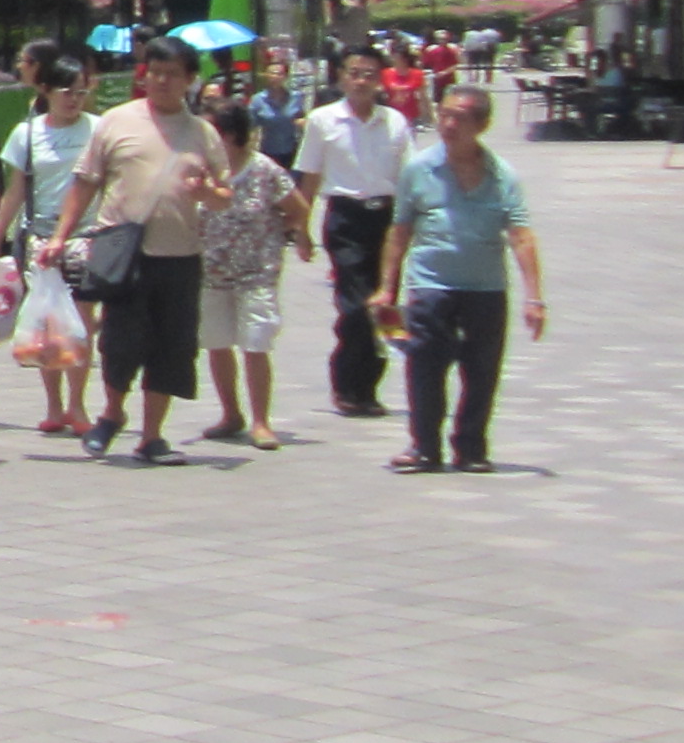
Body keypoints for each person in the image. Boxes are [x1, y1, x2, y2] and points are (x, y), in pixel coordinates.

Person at [41, 33, 222, 464]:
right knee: (119, 341)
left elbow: (223, 196)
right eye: (154, 72)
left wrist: (207, 191)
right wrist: (60, 236)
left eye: (172, 75)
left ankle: (152, 436)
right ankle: (112, 412)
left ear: (190, 80)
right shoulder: (116, 121)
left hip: (180, 255)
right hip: (119, 248)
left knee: (173, 347)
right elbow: (85, 181)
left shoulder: (203, 134)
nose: (161, 81)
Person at [375, 86, 546, 474]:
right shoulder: (419, 169)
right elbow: (399, 231)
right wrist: (388, 286)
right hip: (430, 284)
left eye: (461, 118)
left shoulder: (502, 176)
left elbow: (521, 236)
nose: (449, 125)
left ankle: (470, 446)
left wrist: (534, 298)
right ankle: (424, 446)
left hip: (485, 288)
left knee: (482, 371)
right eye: (445, 114)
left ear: (482, 125)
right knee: (425, 365)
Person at [301, 46, 416, 419]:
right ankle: (346, 382)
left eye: (369, 73)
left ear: (380, 78)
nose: (361, 80)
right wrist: (300, 228)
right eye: (354, 72)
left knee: (382, 305)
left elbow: (410, 178)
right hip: (346, 220)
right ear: (341, 76)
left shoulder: (395, 122)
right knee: (354, 307)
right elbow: (310, 177)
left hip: (386, 220)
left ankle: (366, 387)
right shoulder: (322, 121)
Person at [195, 97, 313, 450]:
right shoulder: (201, 171)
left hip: (256, 272)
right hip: (211, 271)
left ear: (230, 135)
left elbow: (299, 209)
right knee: (217, 342)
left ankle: (262, 421)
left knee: (256, 343)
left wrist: (275, 235)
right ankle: (231, 413)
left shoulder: (265, 170)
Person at [0, 55, 98, 436]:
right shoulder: (27, 134)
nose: (74, 99)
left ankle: (79, 404)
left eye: (81, 91)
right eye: (67, 91)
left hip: (86, 235)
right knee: (48, 323)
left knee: (83, 323)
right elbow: (16, 187)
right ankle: (53, 406)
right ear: (46, 90)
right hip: (39, 237)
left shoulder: (98, 130)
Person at [249, 52, 305, 170]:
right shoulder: (258, 100)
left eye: (279, 74)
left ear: (286, 76)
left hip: (291, 152)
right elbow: (251, 128)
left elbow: (301, 119)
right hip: (269, 152)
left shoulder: (296, 97)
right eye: (272, 73)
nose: (275, 77)